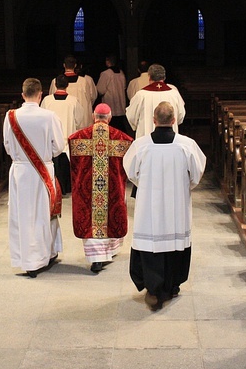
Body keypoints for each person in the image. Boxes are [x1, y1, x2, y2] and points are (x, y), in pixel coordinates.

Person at [123, 101, 207, 310]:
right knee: (175, 241)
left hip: (148, 205)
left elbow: (131, 173)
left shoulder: (140, 146)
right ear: (174, 120)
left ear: (153, 120)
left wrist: (147, 185)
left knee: (151, 242)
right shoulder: (187, 145)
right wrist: (183, 188)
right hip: (176, 205)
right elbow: (196, 175)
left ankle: (153, 287)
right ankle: (172, 285)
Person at [3, 78, 65, 278]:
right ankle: (47, 253)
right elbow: (58, 147)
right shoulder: (49, 116)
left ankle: (28, 259)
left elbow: (7, 145)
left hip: (20, 172)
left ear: (23, 95)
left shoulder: (11, 116)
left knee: (24, 216)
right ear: (41, 95)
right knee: (44, 213)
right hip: (43, 171)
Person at [68, 103, 133, 273]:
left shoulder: (77, 138)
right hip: (111, 187)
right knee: (111, 214)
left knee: (90, 218)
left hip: (88, 190)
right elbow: (127, 167)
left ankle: (96, 258)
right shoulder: (123, 139)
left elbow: (73, 164)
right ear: (110, 118)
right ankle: (107, 253)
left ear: (93, 116)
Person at [41, 74, 82, 194]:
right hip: (67, 138)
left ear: (55, 84)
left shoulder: (47, 100)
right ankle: (67, 188)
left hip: (51, 140)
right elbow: (79, 120)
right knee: (65, 165)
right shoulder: (73, 101)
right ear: (67, 85)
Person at [125, 63, 186, 139]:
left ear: (149, 77)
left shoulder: (141, 95)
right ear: (164, 77)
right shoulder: (174, 94)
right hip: (170, 138)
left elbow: (131, 116)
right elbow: (180, 116)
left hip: (146, 138)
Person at [49, 55, 95, 128]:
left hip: (62, 121)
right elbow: (90, 99)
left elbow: (51, 100)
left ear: (64, 65)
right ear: (75, 65)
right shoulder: (83, 82)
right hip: (81, 123)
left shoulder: (56, 81)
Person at [95, 55, 128, 132]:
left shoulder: (105, 74)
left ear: (107, 62)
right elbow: (124, 87)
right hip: (120, 106)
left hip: (110, 106)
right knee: (120, 128)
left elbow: (100, 90)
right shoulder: (121, 73)